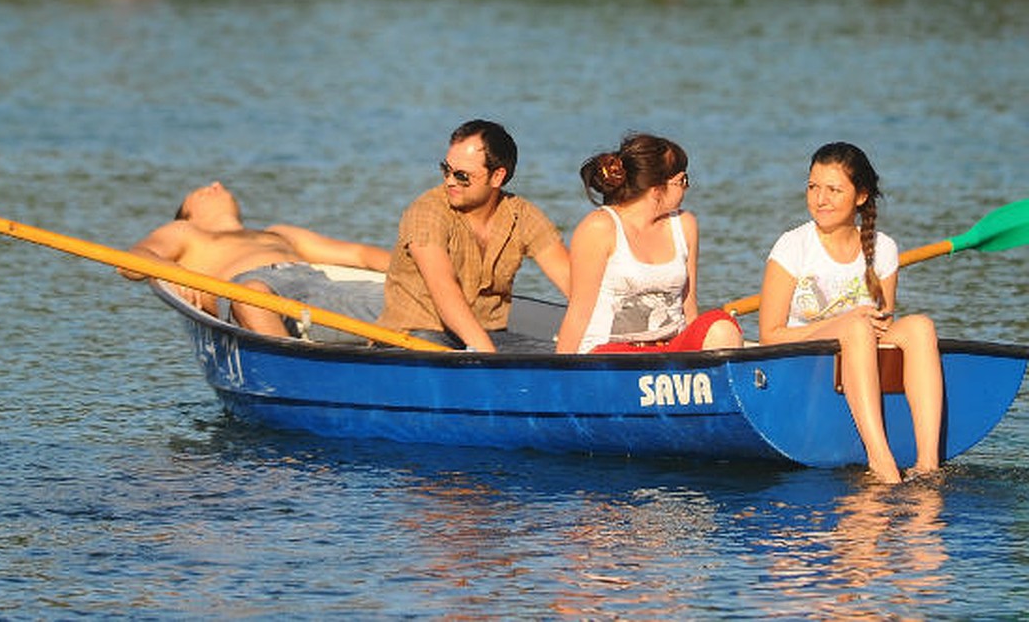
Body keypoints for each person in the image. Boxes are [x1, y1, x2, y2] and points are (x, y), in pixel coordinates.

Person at [757, 142, 943, 484]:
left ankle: (928, 464)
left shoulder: (883, 248)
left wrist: (856, 324)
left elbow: (882, 324)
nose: (820, 199)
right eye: (813, 187)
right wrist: (842, 324)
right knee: (856, 328)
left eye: (833, 189)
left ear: (860, 196)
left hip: (859, 352)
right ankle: (881, 462)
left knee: (919, 327)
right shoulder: (793, 245)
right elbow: (770, 334)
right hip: (802, 358)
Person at [377, 119, 570, 352]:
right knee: (438, 345)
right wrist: (488, 359)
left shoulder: (523, 215)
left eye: (462, 176)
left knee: (552, 352)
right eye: (446, 170)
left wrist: (579, 348)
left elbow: (574, 285)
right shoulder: (426, 212)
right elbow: (444, 289)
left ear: (497, 177)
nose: (449, 181)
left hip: (490, 336)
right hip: (414, 337)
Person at [119, 181, 390, 341]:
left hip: (317, 285)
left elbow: (359, 255)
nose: (216, 184)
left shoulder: (279, 233)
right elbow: (132, 262)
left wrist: (414, 272)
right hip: (247, 291)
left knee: (408, 301)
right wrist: (170, 271)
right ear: (187, 214)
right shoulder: (185, 231)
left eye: (217, 186)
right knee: (252, 294)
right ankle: (292, 374)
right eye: (202, 191)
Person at [554, 133, 743, 354]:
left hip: (670, 350)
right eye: (682, 180)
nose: (687, 188)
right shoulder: (599, 227)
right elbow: (578, 313)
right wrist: (561, 377)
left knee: (722, 327)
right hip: (610, 353)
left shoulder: (685, 224)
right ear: (656, 190)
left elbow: (689, 307)